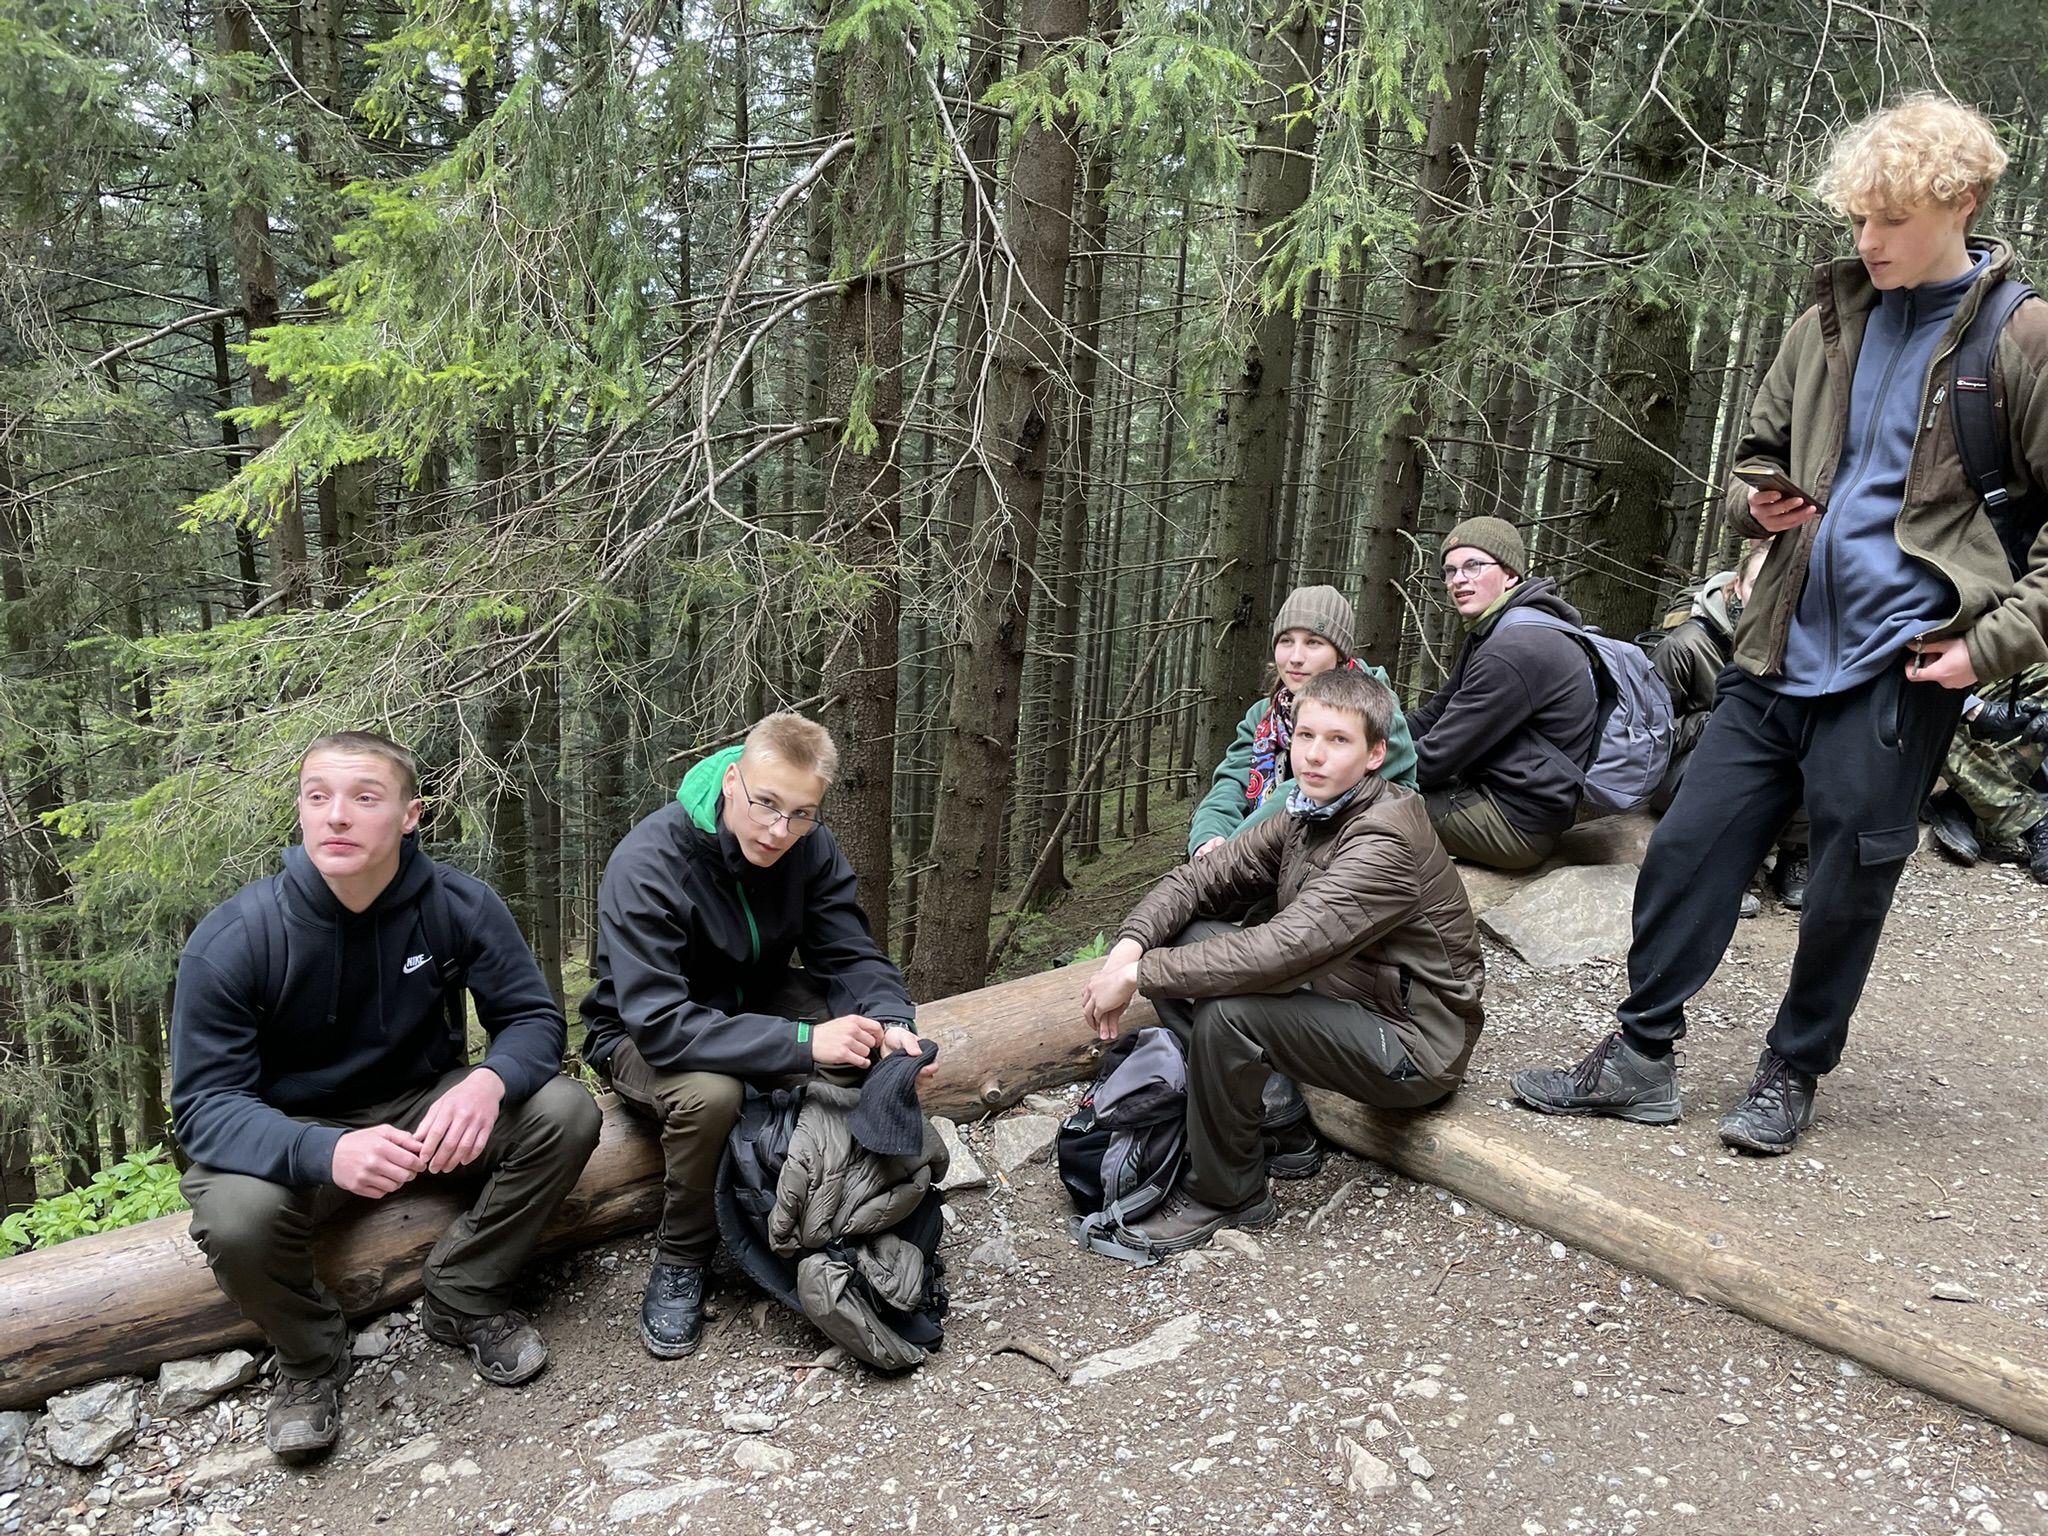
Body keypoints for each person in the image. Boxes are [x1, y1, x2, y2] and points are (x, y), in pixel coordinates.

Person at [1513, 95, 2048, 1155]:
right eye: (1856, 218)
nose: (1867, 239)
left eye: (1890, 219)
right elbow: (1755, 457)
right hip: (1774, 644)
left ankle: (1791, 1069)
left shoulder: (2021, 340)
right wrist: (1753, 505)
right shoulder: (1826, 323)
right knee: (1687, 848)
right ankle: (1638, 1057)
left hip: (1899, 668)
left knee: (1849, 877)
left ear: (1961, 202)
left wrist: (1985, 648)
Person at [171, 732, 601, 1461]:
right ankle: (311, 1359)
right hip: (295, 1130)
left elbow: (533, 1019)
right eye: (318, 797)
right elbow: (205, 1107)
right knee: (237, 1215)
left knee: (566, 1111)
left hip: (422, 1107)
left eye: (364, 798)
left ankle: (464, 1292)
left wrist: (490, 1080)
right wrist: (324, 1149)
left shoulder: (457, 904)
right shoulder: (238, 938)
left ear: (410, 815)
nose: (336, 816)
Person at [1079, 667, 1484, 1253]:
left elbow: (1284, 948)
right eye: (1306, 736)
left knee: (1231, 1013)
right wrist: (1130, 947)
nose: (1314, 755)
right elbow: (1200, 881)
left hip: (1414, 1042)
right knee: (1185, 935)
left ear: (1375, 755)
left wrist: (1139, 977)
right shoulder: (1307, 812)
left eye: (1338, 740)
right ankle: (1275, 1120)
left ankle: (1227, 1192)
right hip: (1341, 997)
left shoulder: (1385, 839)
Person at [579, 711, 923, 1361]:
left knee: (869, 1038)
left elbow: (848, 952)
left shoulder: (809, 847)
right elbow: (660, 1023)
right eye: (766, 804)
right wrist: (803, 1044)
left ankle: (852, 1209)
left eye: (801, 814)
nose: (779, 831)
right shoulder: (649, 862)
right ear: (731, 780)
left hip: (756, 996)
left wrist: (892, 1021)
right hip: (640, 1031)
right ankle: (682, 1256)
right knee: (713, 1095)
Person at [1406, 516, 1601, 870]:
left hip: (1515, 823)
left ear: (1510, 574)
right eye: (1450, 571)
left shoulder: (1514, 648)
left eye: (1473, 566)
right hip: (1501, 797)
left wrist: (1354, 761)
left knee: (1372, 804)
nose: (1458, 579)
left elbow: (1434, 760)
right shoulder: (1498, 629)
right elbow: (1435, 714)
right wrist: (1367, 733)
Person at [1187, 584, 1416, 859]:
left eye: (1313, 642)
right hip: (1275, 849)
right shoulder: (1265, 715)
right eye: (1286, 641)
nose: (1295, 658)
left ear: (1340, 654)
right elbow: (1231, 783)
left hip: (1362, 852)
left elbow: (1301, 795)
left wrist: (1224, 858)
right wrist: (1208, 838)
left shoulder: (1374, 709)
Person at [1649, 546, 1809, 914]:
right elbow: (1646, 737)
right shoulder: (1684, 646)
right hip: (1680, 772)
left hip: (1759, 761)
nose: (1769, 600)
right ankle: (1726, 867)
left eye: (1781, 589)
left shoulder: (1795, 645)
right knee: (1734, 757)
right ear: (1736, 586)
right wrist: (1720, 721)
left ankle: (1797, 856)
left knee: (1810, 746)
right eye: (1759, 586)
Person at [1925, 661, 2048, 881]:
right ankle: (2029, 817)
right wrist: (1974, 710)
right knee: (1921, 708)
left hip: (1963, 681)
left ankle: (1966, 800)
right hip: (1904, 694)